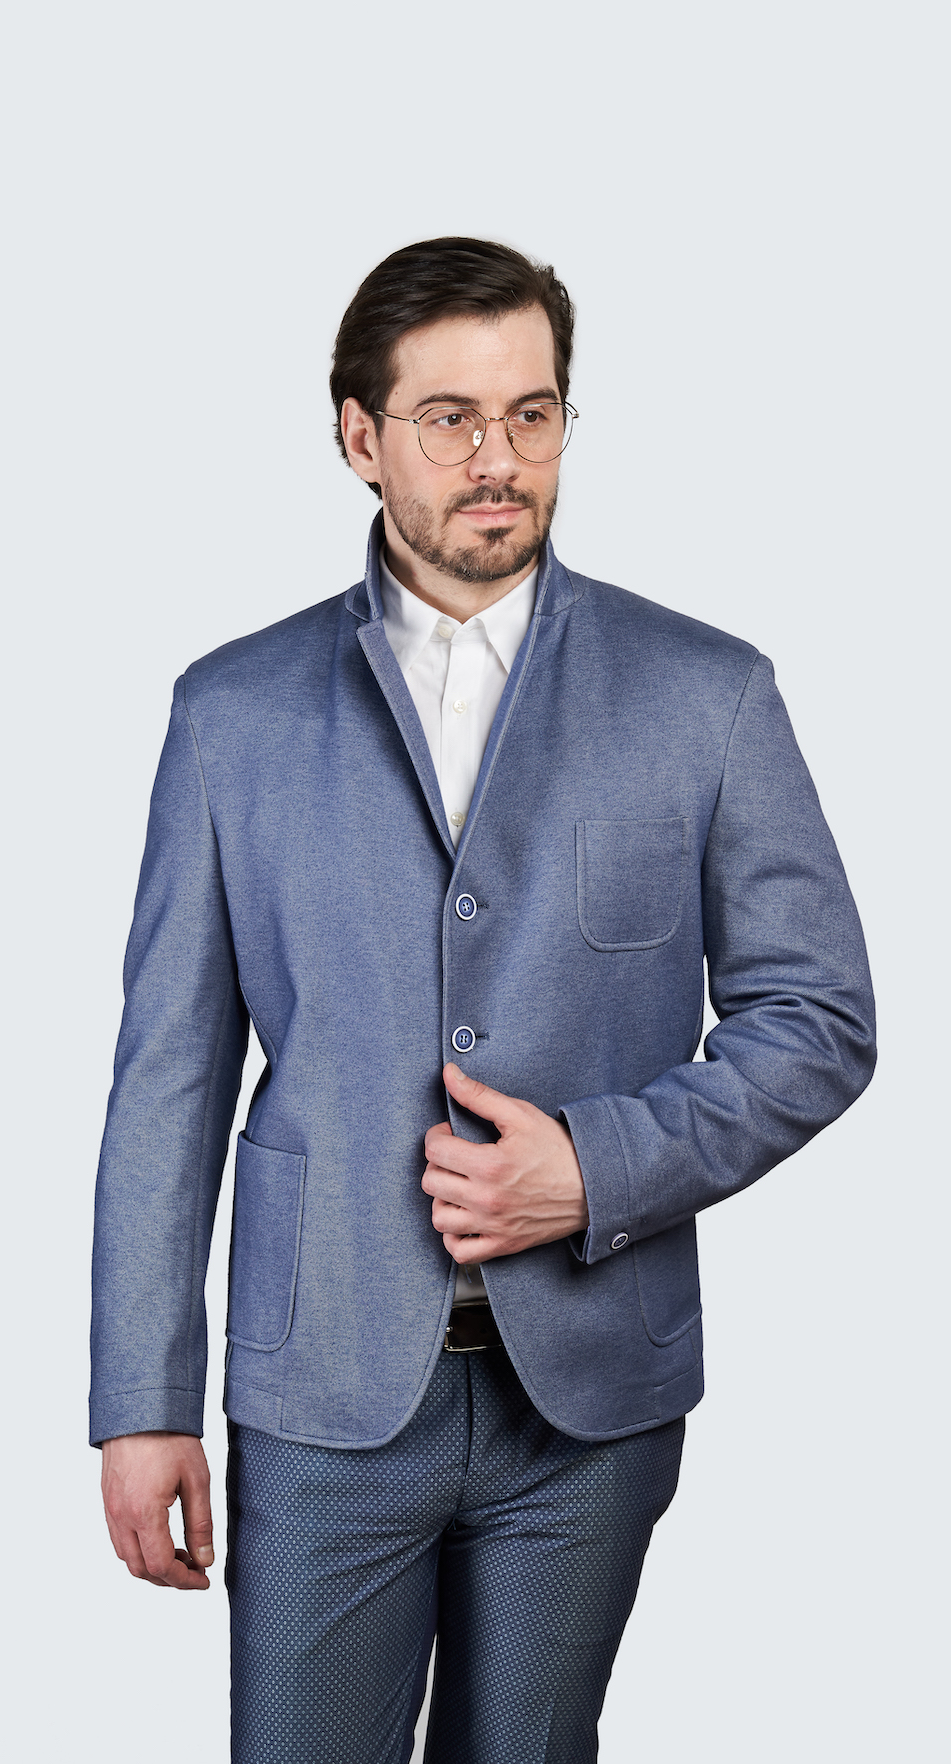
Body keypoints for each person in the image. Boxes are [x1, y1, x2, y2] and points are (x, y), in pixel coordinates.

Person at [89, 237, 876, 1763]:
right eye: (449, 417)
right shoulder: (231, 713)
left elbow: (820, 1015)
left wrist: (597, 1166)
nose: (498, 458)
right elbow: (167, 1078)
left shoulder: (705, 692)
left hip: (591, 1396)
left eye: (533, 413)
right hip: (322, 1389)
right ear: (358, 435)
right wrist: (143, 1397)